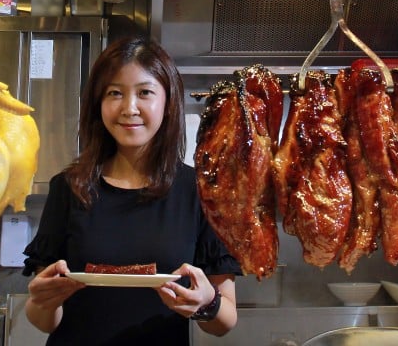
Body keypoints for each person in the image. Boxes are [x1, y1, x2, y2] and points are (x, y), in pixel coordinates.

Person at [22, 35, 240, 345]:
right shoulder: (69, 188)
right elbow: (44, 322)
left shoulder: (200, 192)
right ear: (98, 104)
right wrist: (44, 300)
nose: (129, 108)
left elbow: (224, 322)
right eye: (115, 93)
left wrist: (208, 303)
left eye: (145, 92)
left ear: (168, 103)